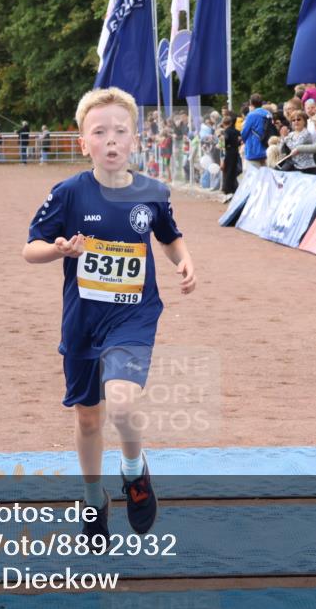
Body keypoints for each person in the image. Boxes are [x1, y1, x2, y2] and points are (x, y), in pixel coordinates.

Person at [22, 87, 195, 548]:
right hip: (83, 322)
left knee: (121, 403)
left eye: (120, 131)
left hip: (134, 317)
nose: (111, 140)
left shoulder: (152, 193)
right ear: (83, 143)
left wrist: (184, 259)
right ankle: (92, 498)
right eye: (100, 132)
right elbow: (30, 248)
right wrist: (56, 249)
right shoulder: (68, 194)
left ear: (135, 139)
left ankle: (135, 474)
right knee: (88, 419)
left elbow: (169, 237)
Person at [239, 93, 271, 167]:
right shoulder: (268, 114)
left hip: (253, 149)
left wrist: (242, 139)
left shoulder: (251, 115)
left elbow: (244, 132)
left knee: (254, 176)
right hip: (266, 148)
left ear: (251, 103)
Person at [221, 115, 241, 198]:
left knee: (227, 170)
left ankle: (227, 188)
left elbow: (223, 144)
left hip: (228, 152)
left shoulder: (225, 132)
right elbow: (240, 140)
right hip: (236, 151)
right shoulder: (236, 131)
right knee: (233, 170)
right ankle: (234, 187)